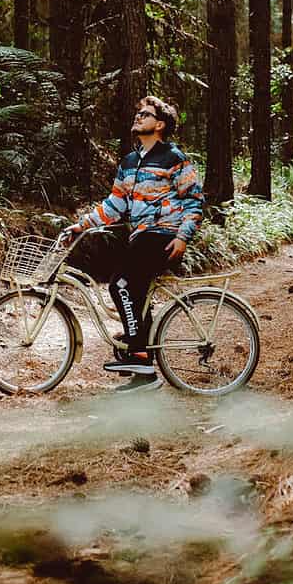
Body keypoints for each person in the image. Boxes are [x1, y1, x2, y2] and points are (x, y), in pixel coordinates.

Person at [63, 96, 204, 393]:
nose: (138, 117)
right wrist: (82, 224)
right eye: (138, 113)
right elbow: (114, 206)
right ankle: (145, 374)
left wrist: (183, 237)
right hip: (140, 236)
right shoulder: (129, 163)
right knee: (134, 294)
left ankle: (137, 355)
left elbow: (194, 200)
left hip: (164, 235)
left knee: (121, 285)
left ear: (160, 124)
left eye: (145, 114)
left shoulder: (173, 158)